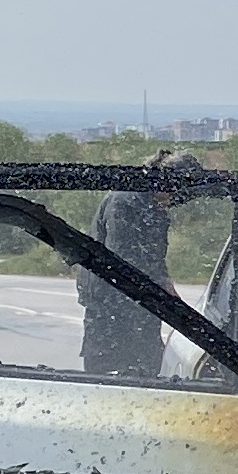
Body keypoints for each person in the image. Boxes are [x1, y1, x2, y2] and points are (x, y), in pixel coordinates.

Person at [79, 152, 183, 376]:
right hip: (109, 296)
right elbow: (122, 257)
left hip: (138, 294)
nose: (178, 199)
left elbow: (153, 253)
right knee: (109, 364)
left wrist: (164, 282)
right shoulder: (126, 201)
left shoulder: (154, 206)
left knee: (147, 359)